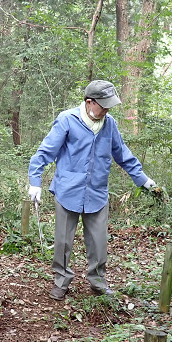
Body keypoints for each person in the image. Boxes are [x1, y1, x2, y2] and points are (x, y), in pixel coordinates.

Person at [28, 80, 157, 300]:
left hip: (97, 193)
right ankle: (61, 280)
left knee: (98, 243)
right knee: (63, 242)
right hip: (67, 191)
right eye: (103, 105)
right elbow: (45, 152)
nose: (106, 110)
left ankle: (97, 282)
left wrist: (144, 181)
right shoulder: (67, 120)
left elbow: (123, 155)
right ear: (89, 102)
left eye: (109, 106)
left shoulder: (110, 124)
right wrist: (35, 182)